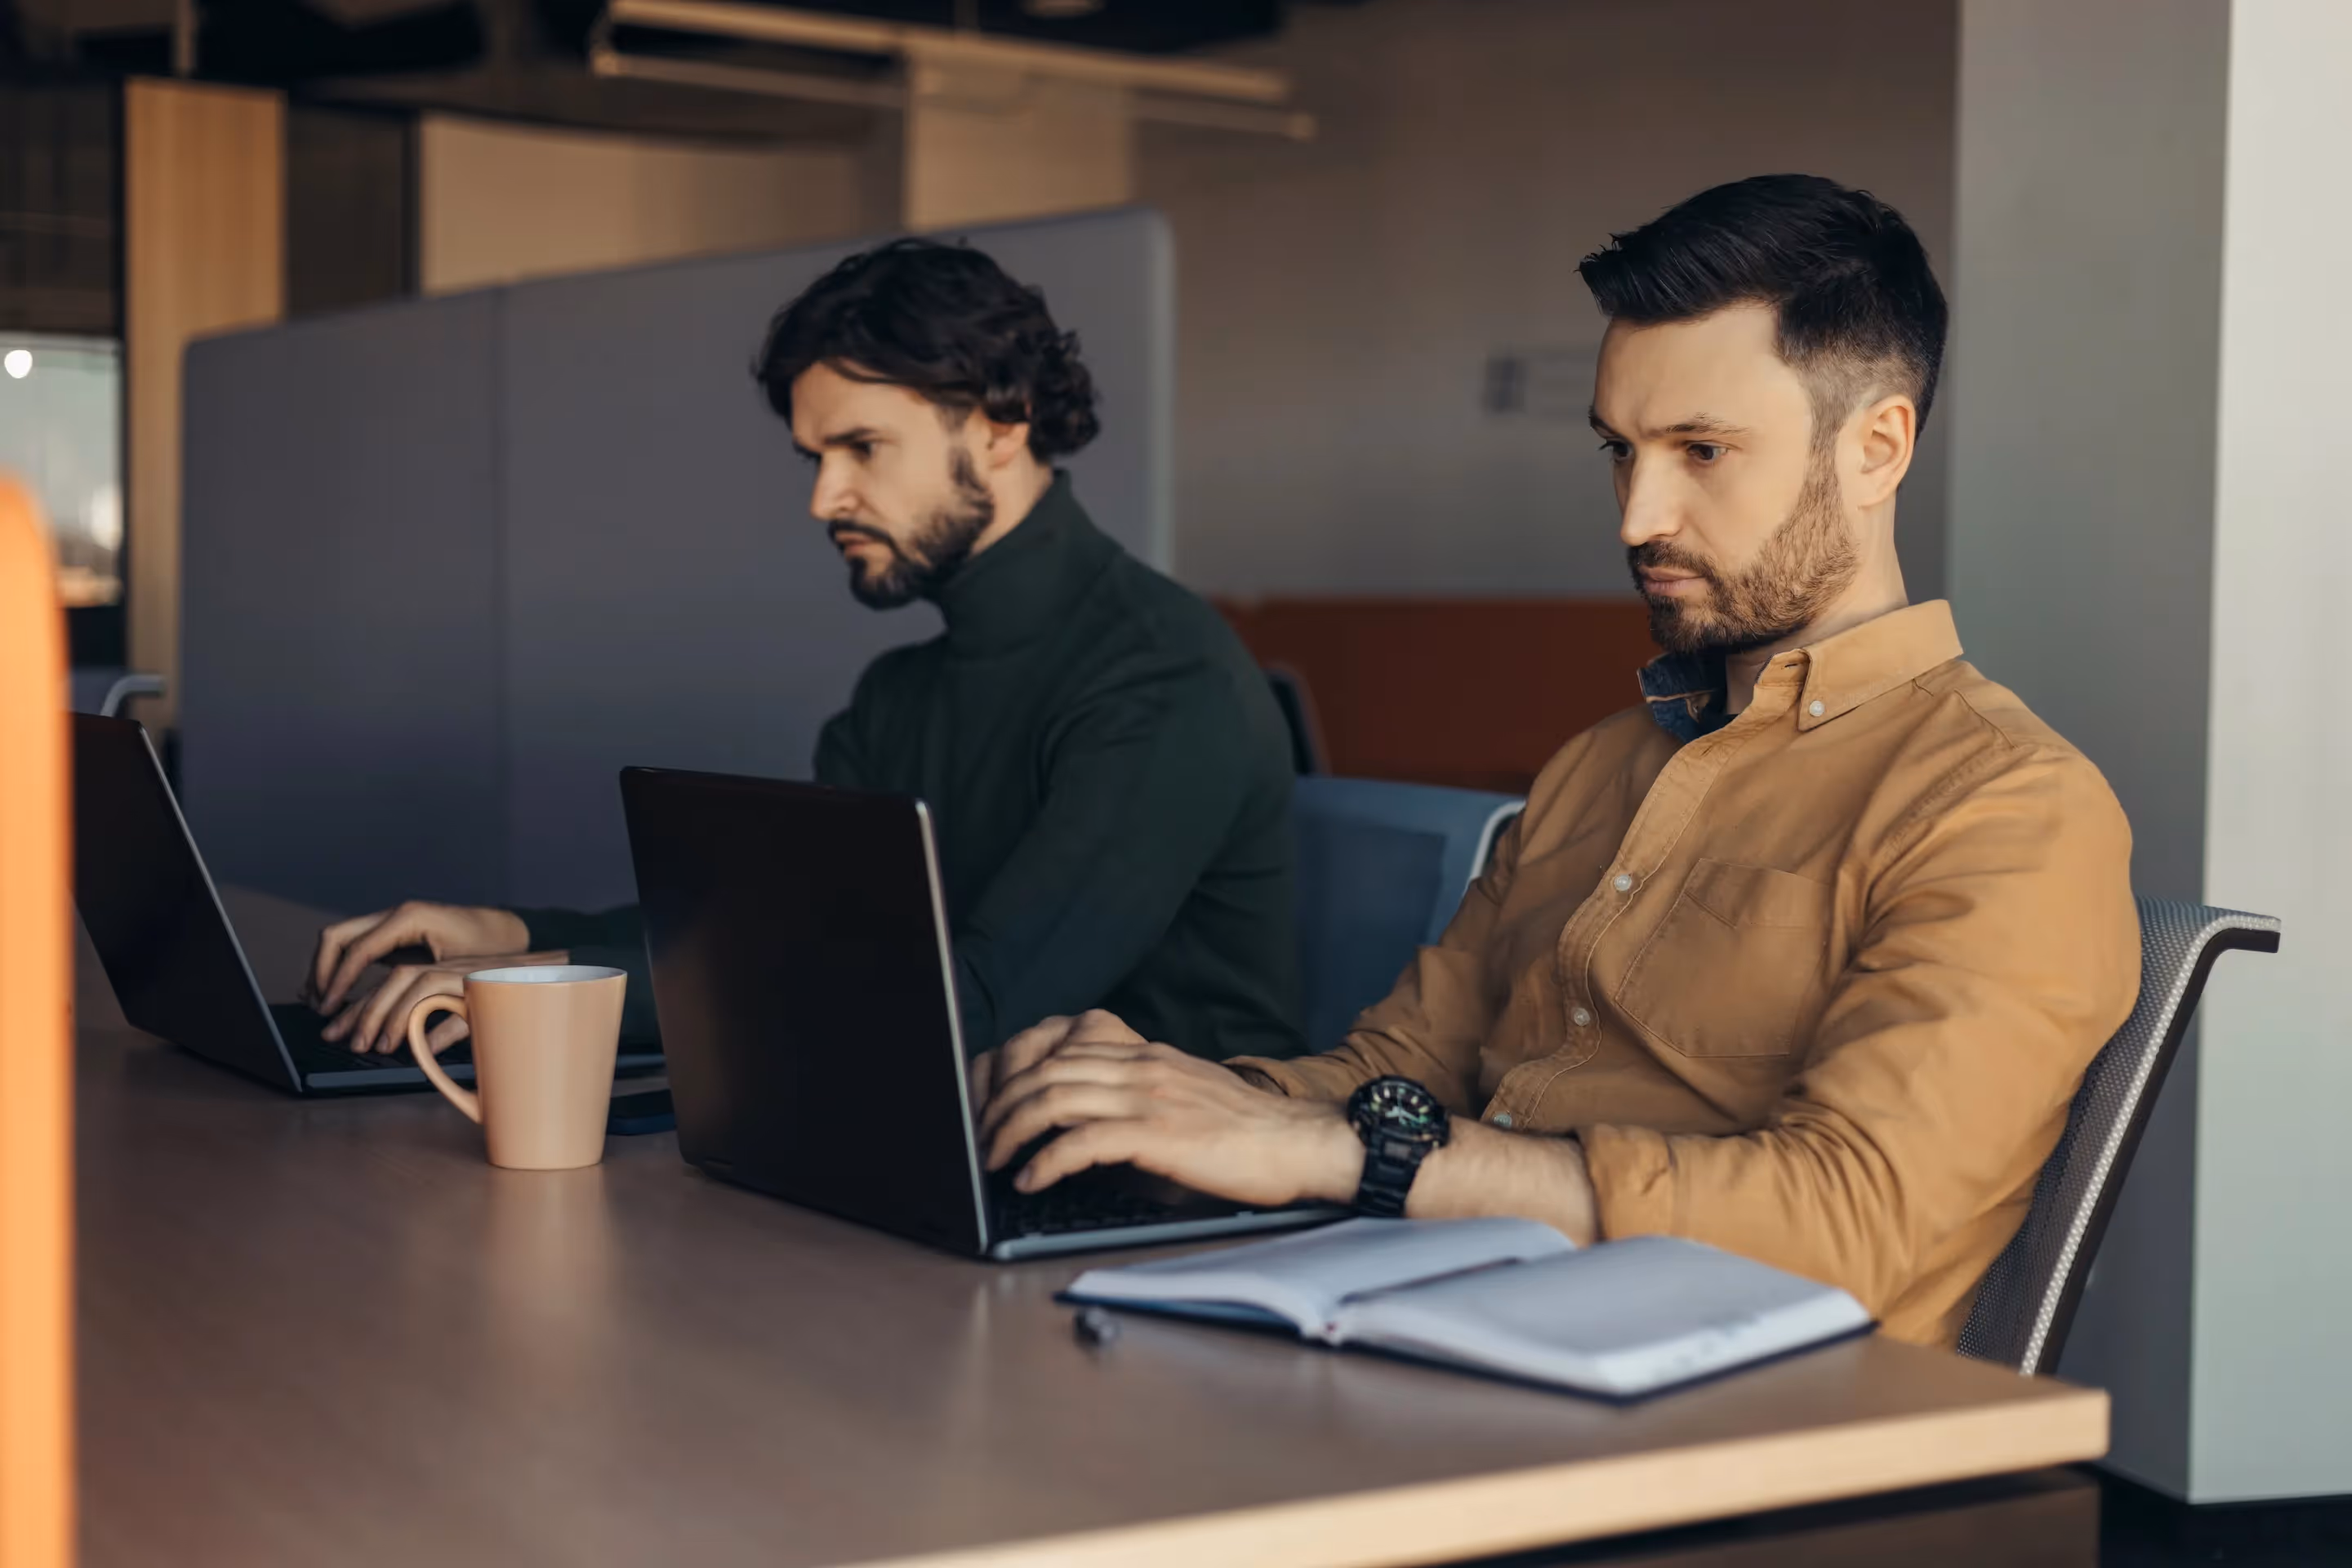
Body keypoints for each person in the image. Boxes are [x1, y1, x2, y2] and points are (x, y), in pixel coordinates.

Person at [973, 175, 2141, 1349]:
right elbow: (1405, 1067)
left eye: (1701, 450)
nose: (1638, 517)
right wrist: (1163, 1102)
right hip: (1449, 1328)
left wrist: (1354, 1154)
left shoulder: (2007, 807)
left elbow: (1850, 1222)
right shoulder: (1598, 765)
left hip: (1736, 1408)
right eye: (1621, 451)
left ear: (1876, 448)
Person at [308, 239, 1304, 1066]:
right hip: (941, 1137)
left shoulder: (1162, 681)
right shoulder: (896, 696)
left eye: (862, 448)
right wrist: (516, 938)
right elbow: (784, 936)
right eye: (815, 458)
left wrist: (540, 988)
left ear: (1001, 426)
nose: (824, 498)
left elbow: (970, 1005)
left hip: (1166, 1198)